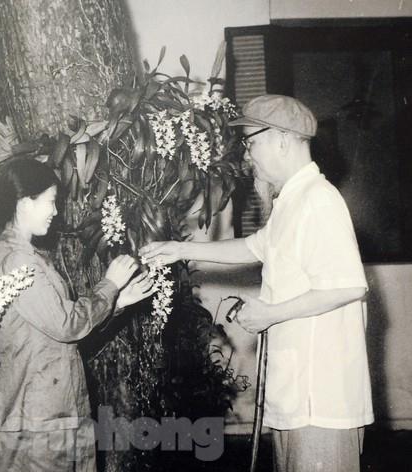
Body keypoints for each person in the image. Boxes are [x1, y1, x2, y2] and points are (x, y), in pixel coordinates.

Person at [141, 95, 373, 472]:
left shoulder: (319, 202)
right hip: (298, 396)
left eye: (251, 142)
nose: (247, 156)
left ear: (281, 139)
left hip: (321, 399)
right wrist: (177, 248)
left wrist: (271, 313)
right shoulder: (292, 202)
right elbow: (253, 246)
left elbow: (347, 286)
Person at [0, 158, 154, 472]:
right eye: (50, 202)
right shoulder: (18, 261)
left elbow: (54, 333)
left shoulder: (27, 255)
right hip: (37, 420)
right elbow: (66, 326)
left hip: (52, 411)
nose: (55, 211)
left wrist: (117, 303)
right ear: (24, 203)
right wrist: (109, 285)